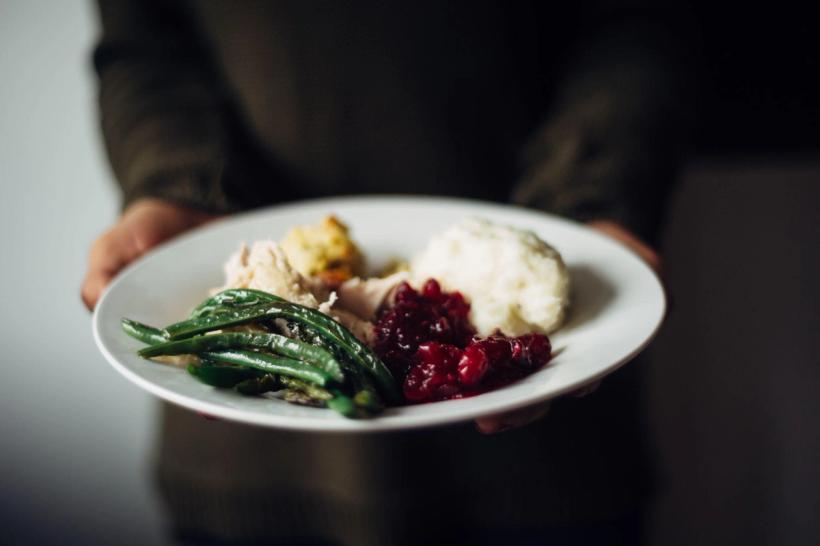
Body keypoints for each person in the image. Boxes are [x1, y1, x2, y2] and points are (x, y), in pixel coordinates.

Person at [82, 2, 691, 544]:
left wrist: (590, 199)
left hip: (549, 463)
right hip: (253, 466)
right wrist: (176, 184)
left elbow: (633, 29)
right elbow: (145, 45)